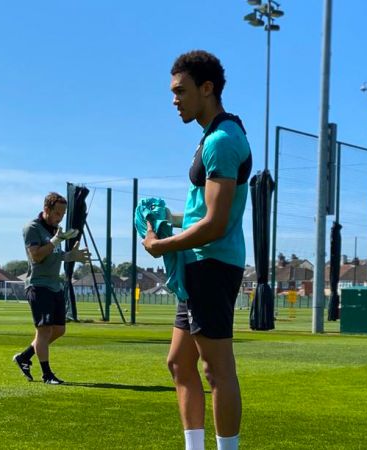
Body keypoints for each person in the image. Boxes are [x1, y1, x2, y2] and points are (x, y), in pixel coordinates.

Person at [143, 50, 251, 450]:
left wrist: (160, 246)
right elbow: (202, 212)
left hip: (212, 265)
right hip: (198, 265)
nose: (175, 100)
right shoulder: (211, 137)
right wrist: (163, 222)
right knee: (179, 362)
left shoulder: (222, 141)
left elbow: (215, 223)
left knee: (217, 370)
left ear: (207, 89)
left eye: (180, 91)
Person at [13, 192, 90, 384]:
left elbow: (54, 254)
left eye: (63, 214)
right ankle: (47, 374)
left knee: (59, 330)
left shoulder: (54, 229)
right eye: (58, 213)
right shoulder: (32, 228)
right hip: (39, 285)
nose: (60, 217)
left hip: (55, 285)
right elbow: (37, 256)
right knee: (44, 331)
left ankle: (24, 357)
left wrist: (70, 256)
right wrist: (55, 240)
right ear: (46, 209)